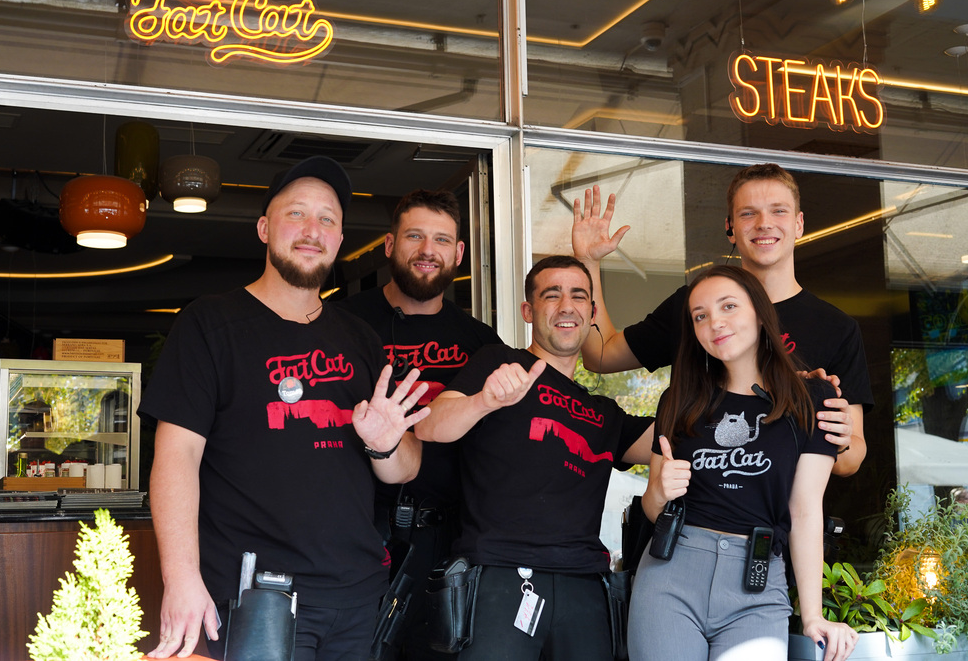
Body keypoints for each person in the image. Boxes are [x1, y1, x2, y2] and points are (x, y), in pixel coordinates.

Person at [141, 156, 431, 661]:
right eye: (296, 213)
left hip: (358, 596)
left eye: (327, 219)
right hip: (257, 597)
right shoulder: (209, 325)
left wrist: (384, 444)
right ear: (264, 228)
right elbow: (176, 457)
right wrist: (181, 577)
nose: (312, 230)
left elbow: (406, 466)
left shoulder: (361, 339)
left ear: (339, 241)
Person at [414, 255, 671, 661]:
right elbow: (429, 427)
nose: (567, 306)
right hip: (502, 575)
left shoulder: (605, 414)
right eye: (552, 295)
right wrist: (484, 401)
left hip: (586, 587)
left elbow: (677, 439)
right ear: (528, 311)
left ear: (592, 314)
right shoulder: (500, 365)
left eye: (578, 296)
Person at [572, 163, 872, 477]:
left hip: (781, 506)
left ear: (799, 224)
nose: (764, 223)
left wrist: (835, 434)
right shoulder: (695, 305)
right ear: (730, 227)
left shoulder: (837, 328)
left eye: (778, 211)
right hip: (694, 500)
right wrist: (588, 262)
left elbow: (851, 460)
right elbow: (600, 354)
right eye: (748, 213)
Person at [628, 265, 858, 661]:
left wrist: (813, 615)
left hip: (757, 585)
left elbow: (805, 511)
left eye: (728, 306)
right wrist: (661, 491)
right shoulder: (679, 399)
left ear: (760, 313)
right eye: (700, 316)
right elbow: (653, 508)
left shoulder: (811, 399)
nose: (714, 322)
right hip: (670, 575)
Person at [339, 188, 502, 660]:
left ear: (459, 253)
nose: (428, 250)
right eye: (415, 236)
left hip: (448, 542)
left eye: (441, 240)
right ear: (390, 245)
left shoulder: (480, 342)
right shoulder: (343, 323)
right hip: (358, 533)